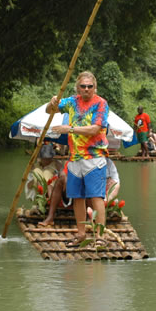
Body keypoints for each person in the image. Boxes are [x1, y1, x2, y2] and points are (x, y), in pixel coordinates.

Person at [46, 71, 109, 248]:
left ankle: (100, 237)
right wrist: (52, 103)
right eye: (83, 86)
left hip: (94, 158)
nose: (86, 89)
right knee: (77, 198)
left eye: (90, 86)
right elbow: (49, 110)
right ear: (78, 88)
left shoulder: (101, 104)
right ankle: (81, 234)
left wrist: (70, 129)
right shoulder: (72, 101)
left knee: (96, 197)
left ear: (94, 88)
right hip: (74, 158)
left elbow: (95, 129)